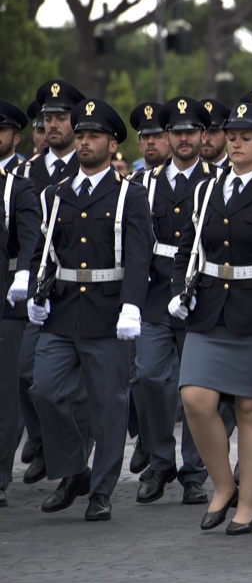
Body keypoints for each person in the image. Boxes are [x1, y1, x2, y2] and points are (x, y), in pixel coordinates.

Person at [170, 102, 252, 535]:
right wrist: (178, 291)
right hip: (209, 310)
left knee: (250, 407)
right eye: (233, 135)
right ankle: (222, 485)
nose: (237, 142)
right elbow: (188, 246)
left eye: (248, 136)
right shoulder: (207, 190)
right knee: (195, 398)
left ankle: (247, 504)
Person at [28, 98, 153, 521]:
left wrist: (132, 307)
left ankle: (100, 490)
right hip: (63, 311)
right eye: (79, 135)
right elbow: (43, 252)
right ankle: (73, 470)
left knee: (108, 406)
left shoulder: (129, 196)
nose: (83, 142)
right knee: (43, 387)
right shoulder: (56, 194)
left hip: (108, 311)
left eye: (93, 136)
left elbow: (138, 257)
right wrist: (34, 293)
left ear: (112, 142)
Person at [128, 97, 221, 507]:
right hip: (154, 294)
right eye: (176, 133)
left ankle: (194, 473)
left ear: (203, 136)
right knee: (148, 376)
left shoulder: (218, 181)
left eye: (191, 132)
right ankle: (160, 458)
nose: (184, 139)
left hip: (201, 296)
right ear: (166, 138)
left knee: (196, 390)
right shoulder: (143, 183)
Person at [15, 80, 85, 485]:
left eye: (60, 118)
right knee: (28, 373)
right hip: (38, 285)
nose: (53, 125)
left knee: (78, 388)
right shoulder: (29, 172)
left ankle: (70, 461)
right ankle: (43, 442)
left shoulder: (88, 166)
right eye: (47, 119)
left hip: (80, 286)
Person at [0, 99, 40, 508]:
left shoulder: (18, 183)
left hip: (6, 293)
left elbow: (29, 236)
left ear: (16, 136)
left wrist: (24, 274)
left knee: (5, 387)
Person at [198, 99, 230, 168]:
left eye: (213, 132)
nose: (206, 139)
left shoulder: (237, 171)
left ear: (226, 135)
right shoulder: (186, 173)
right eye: (202, 132)